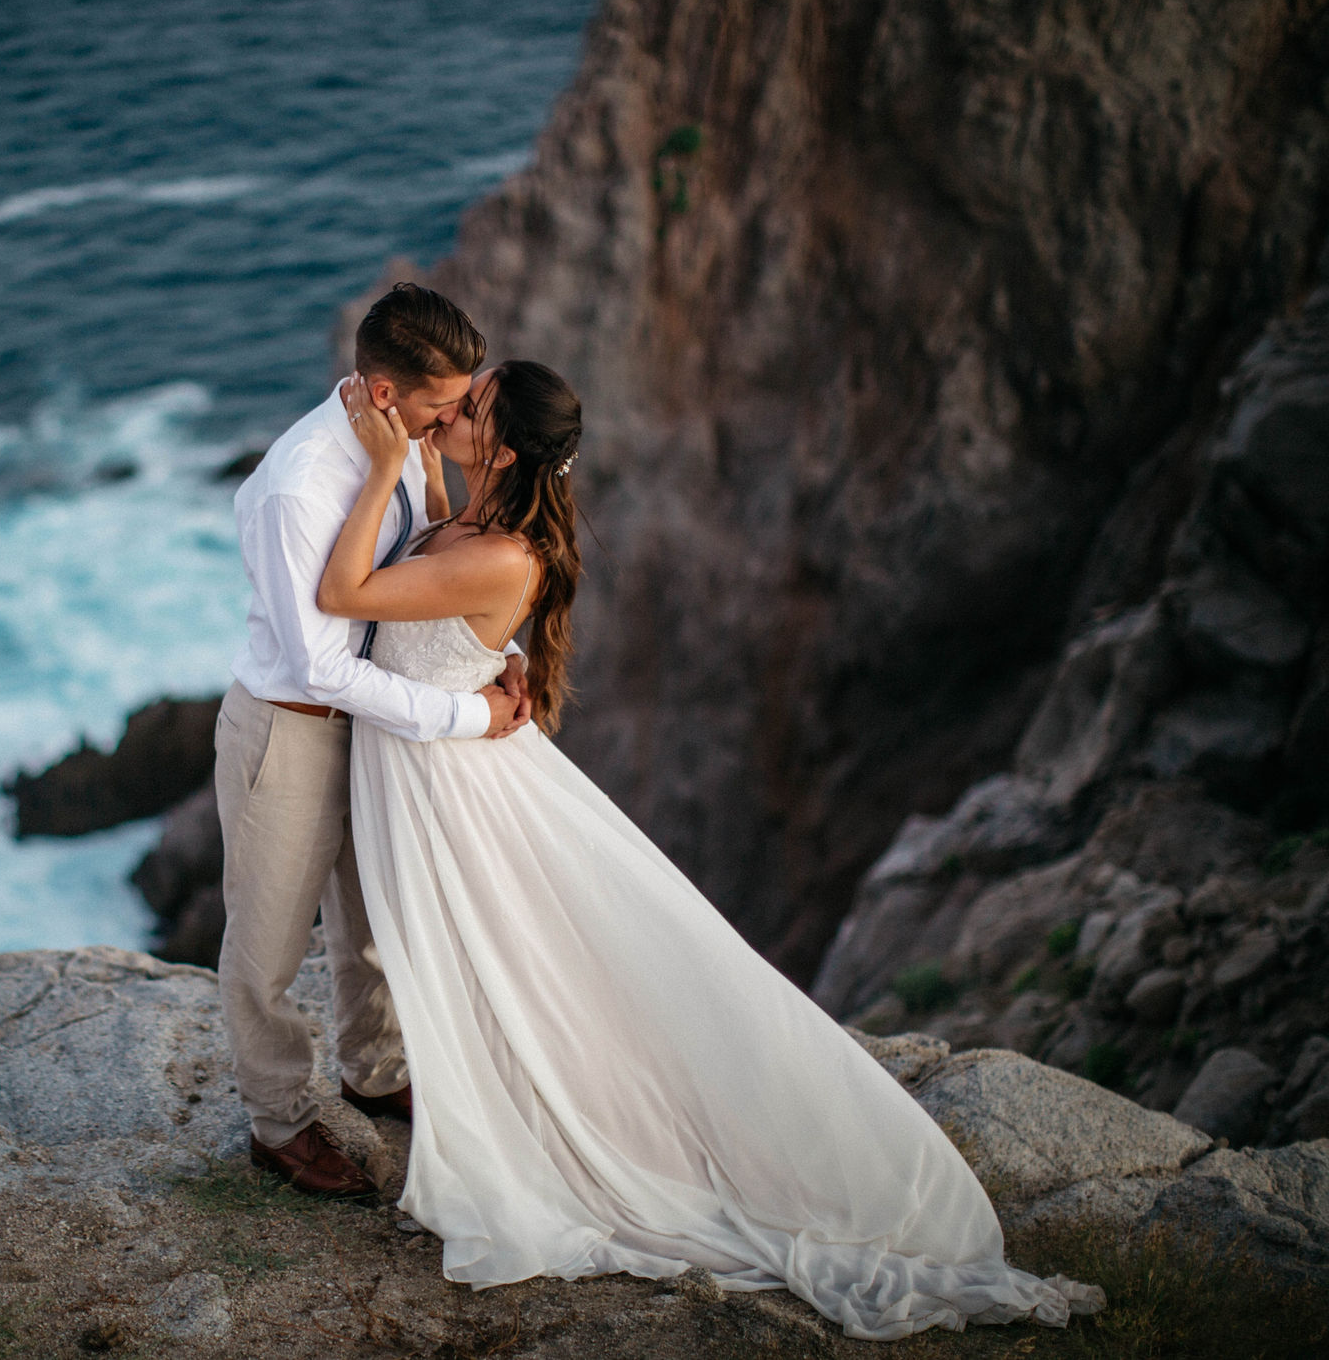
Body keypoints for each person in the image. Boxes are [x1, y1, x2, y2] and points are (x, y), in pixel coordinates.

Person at [316, 361, 1107, 1342]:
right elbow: (438, 568)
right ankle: (472, 1088)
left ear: (506, 450)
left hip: (449, 789)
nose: (448, 412)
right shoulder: (478, 525)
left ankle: (566, 1123)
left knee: (509, 963)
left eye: (466, 409)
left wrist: (377, 464)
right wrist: (425, 487)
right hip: (437, 764)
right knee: (494, 963)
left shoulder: (503, 557)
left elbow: (344, 585)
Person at [214, 284, 531, 1199]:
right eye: (445, 405)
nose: (457, 420)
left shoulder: (395, 450)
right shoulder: (300, 486)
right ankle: (277, 1122)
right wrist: (469, 718)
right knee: (268, 947)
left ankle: (375, 1070)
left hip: (374, 729)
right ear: (388, 395)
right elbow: (320, 667)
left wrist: (495, 653)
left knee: (368, 922)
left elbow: (414, 583)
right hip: (293, 732)